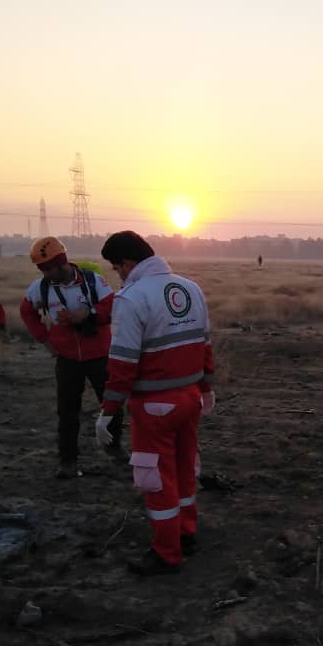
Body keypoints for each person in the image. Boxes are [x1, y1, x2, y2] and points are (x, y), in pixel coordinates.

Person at [95, 231, 215, 575]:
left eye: (117, 268)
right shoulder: (191, 288)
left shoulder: (131, 298)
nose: (118, 274)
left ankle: (166, 553)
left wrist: (108, 411)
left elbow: (122, 363)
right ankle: (186, 534)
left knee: (157, 480)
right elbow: (205, 344)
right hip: (190, 399)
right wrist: (206, 387)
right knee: (185, 469)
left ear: (129, 263)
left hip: (153, 407)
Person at [19, 236, 124, 479]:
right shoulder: (41, 288)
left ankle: (115, 448)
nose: (45, 273)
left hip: (100, 356)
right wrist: (44, 339)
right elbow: (26, 311)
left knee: (112, 404)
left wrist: (88, 313)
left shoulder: (93, 281)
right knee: (67, 412)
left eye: (47, 268)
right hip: (66, 360)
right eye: (41, 269)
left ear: (61, 262)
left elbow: (112, 306)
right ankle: (67, 461)